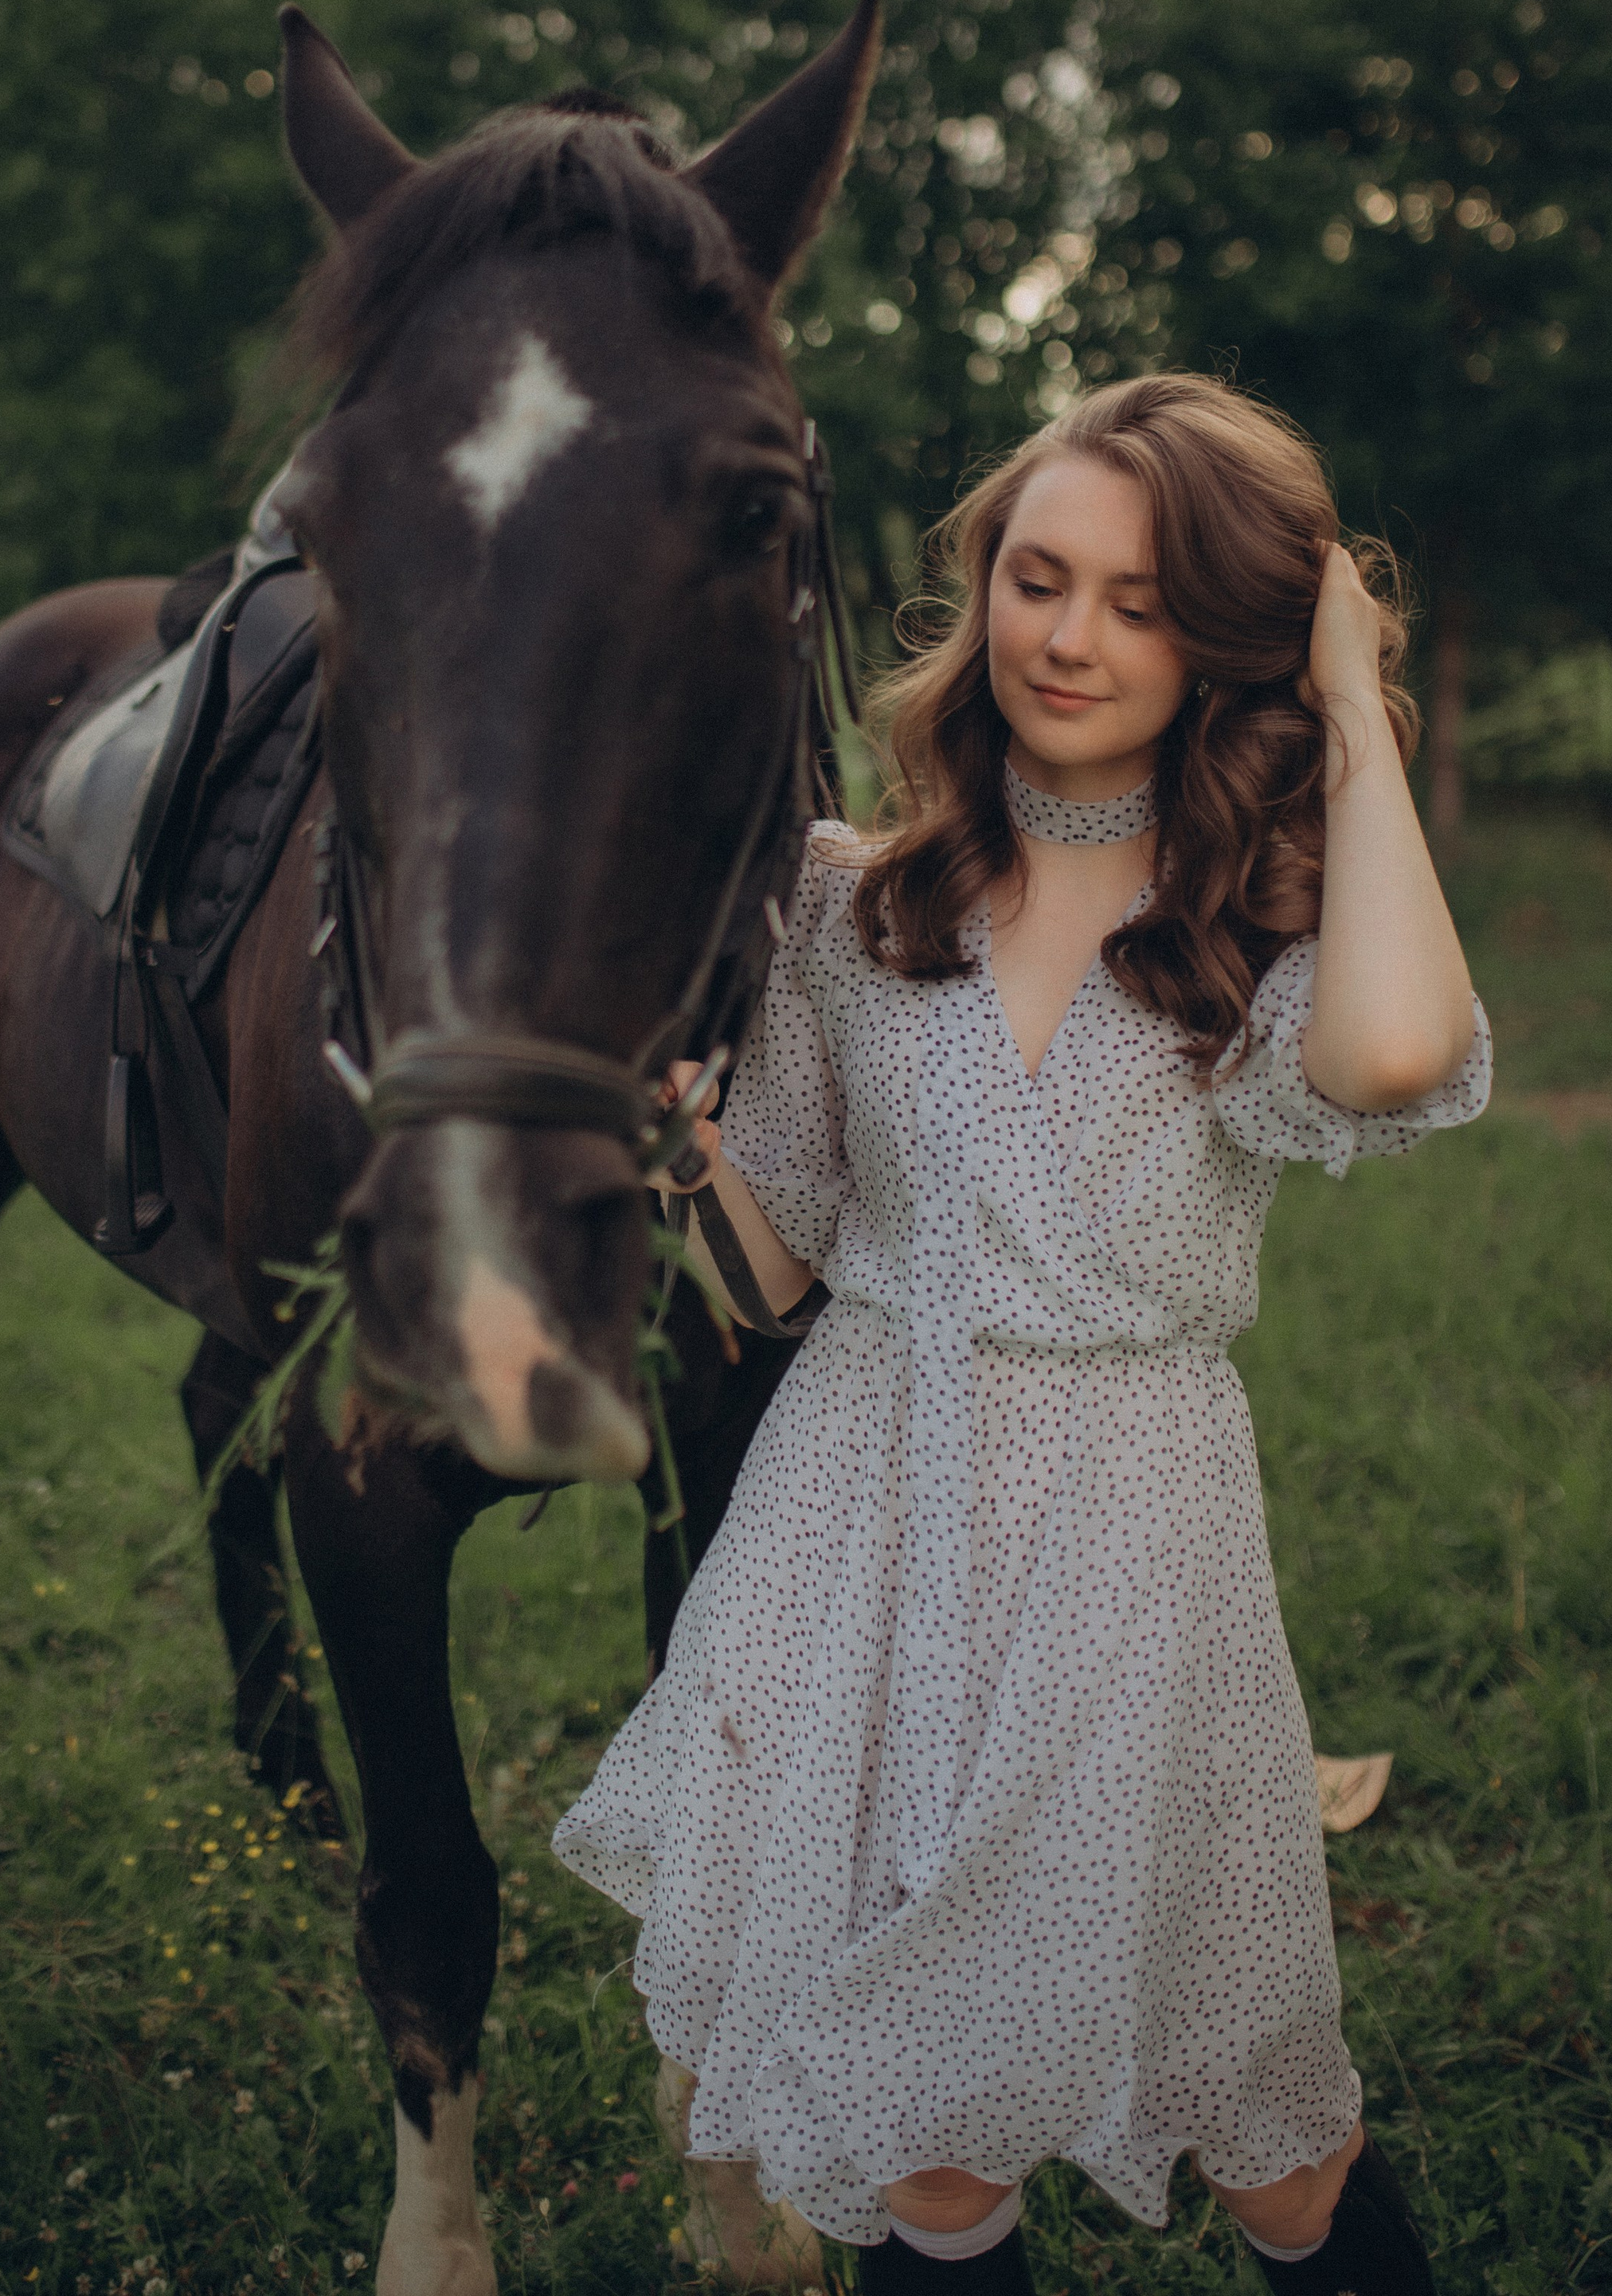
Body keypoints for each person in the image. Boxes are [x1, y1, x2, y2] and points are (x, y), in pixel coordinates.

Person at [552, 373, 1489, 2293]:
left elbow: (1397, 1053)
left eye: (1137, 602)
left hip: (1134, 1546)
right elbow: (788, 1279)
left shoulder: (1260, 909)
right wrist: (692, 1156)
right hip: (868, 1519)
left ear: (1220, 634)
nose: (1066, 636)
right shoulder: (856, 894)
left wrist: (1348, 713)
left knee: (1273, 2143)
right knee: (930, 2156)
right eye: (1035, 578)